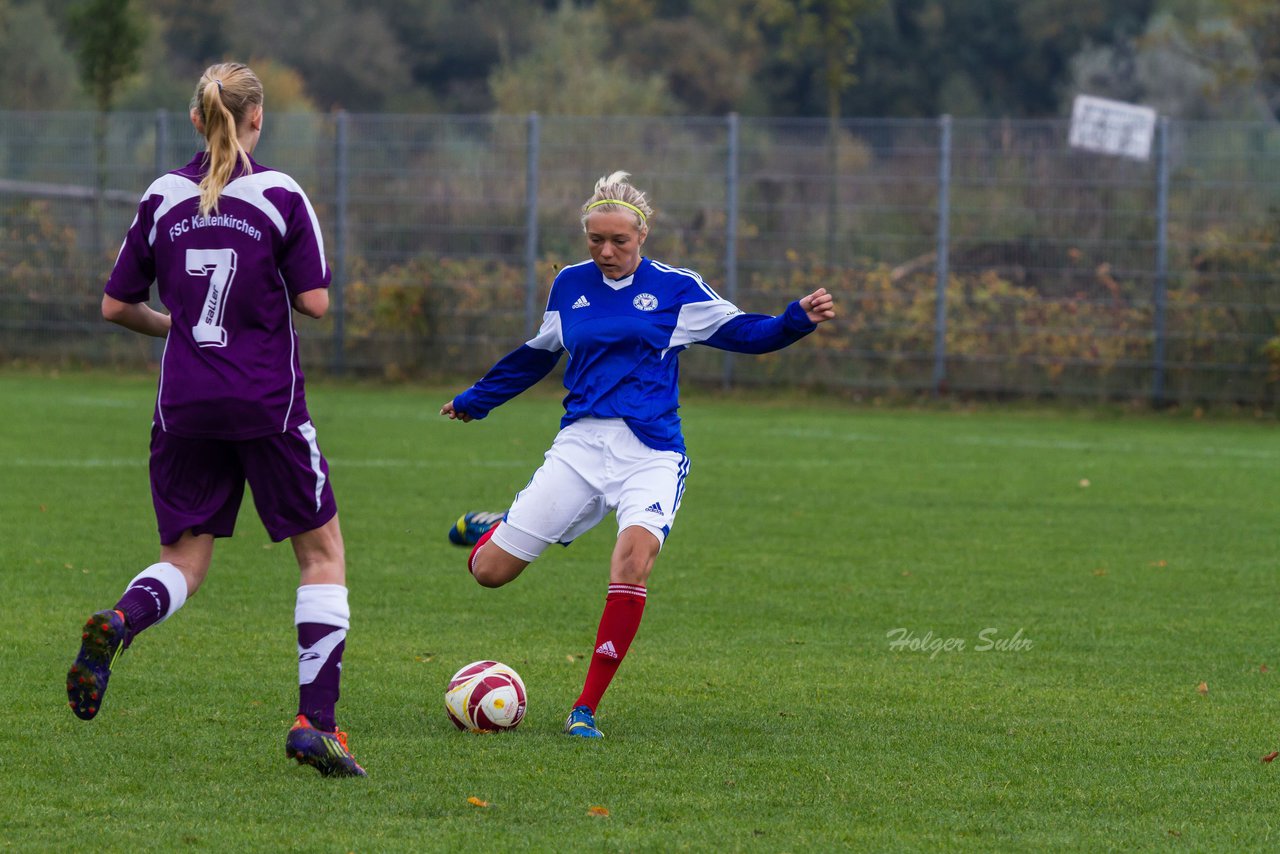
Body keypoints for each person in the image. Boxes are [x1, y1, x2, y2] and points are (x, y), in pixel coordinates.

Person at [441, 171, 836, 738]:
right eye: (595, 240)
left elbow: (747, 333)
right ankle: (496, 528)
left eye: (618, 241)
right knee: (489, 573)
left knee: (632, 562)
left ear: (642, 234)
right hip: (579, 448)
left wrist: (795, 319)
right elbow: (537, 354)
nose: (606, 251)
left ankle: (585, 709)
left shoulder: (676, 289)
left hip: (650, 454)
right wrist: (475, 400)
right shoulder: (570, 286)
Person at [65, 62, 365, 777]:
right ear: (257, 119)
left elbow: (114, 305)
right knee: (321, 555)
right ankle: (315, 724)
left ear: (196, 120)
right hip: (266, 403)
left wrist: (178, 325)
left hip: (185, 404)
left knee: (184, 562)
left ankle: (121, 621)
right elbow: (316, 303)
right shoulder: (279, 195)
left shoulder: (163, 195)